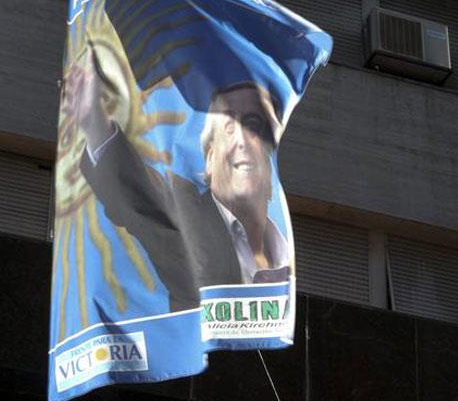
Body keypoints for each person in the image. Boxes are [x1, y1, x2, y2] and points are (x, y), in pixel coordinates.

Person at [64, 44, 290, 313]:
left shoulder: (286, 254)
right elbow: (142, 196)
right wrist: (96, 126)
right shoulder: (188, 210)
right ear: (209, 161)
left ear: (269, 159)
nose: (241, 140)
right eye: (229, 128)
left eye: (252, 125)